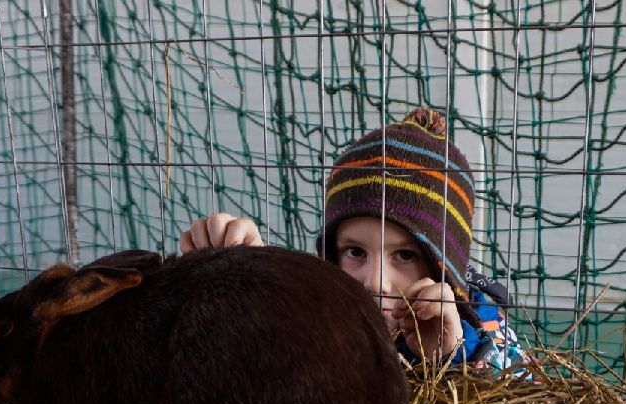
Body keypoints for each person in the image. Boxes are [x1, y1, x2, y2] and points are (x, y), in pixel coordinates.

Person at [180, 108, 531, 374]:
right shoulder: (321, 313)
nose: (373, 281)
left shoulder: (485, 325)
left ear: (444, 264)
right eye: (354, 252)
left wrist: (451, 357)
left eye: (405, 255)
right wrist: (250, 278)